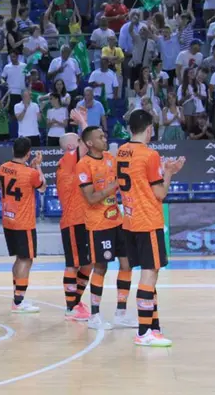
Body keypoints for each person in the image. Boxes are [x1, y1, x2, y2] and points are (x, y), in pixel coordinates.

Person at [115, 110, 185, 347]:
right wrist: (169, 173)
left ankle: (153, 327)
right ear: (148, 128)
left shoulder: (121, 151)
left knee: (148, 276)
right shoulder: (149, 154)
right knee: (149, 275)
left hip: (130, 221)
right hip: (147, 221)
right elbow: (160, 193)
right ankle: (144, 332)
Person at [76, 127, 138, 330]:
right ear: (90, 143)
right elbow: (91, 198)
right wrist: (113, 186)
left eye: (105, 135)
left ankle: (121, 312)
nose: (105, 138)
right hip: (98, 224)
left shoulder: (111, 158)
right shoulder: (83, 165)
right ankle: (94, 316)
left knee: (127, 264)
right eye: (100, 137)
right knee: (100, 267)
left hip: (117, 220)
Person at [0, 137, 47, 313]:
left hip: (8, 220)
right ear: (28, 154)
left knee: (19, 258)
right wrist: (38, 165)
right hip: (23, 222)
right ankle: (18, 302)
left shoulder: (2, 168)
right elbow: (42, 187)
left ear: (13, 151)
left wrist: (29, 165)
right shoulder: (30, 173)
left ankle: (17, 297)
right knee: (26, 259)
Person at [55, 133, 92, 321]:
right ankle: (71, 306)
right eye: (78, 141)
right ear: (71, 146)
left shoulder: (76, 164)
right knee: (73, 264)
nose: (82, 144)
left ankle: (75, 301)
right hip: (73, 221)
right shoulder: (68, 159)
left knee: (88, 262)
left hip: (84, 221)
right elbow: (89, 143)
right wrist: (84, 123)